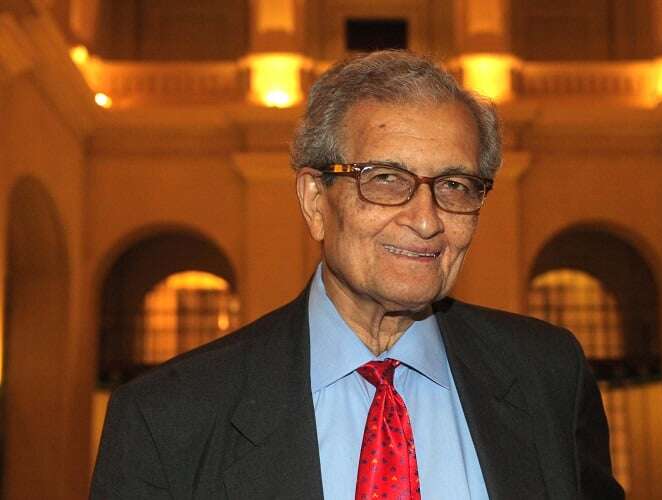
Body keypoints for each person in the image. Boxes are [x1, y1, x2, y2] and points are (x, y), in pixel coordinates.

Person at [91, 50, 624, 500]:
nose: (425, 219)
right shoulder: (168, 419)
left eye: (456, 186)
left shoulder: (547, 376)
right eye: (385, 178)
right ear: (315, 201)